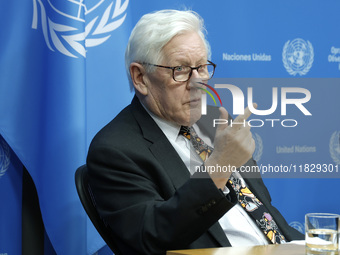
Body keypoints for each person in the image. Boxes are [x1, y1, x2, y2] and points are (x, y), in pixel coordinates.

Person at [87, 9, 303, 255]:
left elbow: (264, 212)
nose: (198, 82)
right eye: (180, 69)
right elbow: (151, 239)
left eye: (201, 67)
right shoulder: (115, 150)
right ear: (140, 78)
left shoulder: (216, 121)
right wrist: (219, 165)